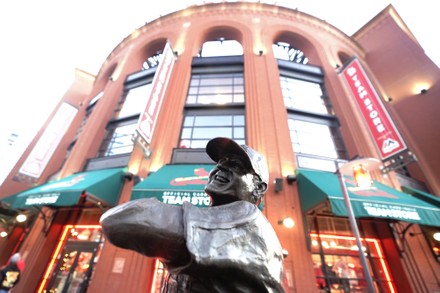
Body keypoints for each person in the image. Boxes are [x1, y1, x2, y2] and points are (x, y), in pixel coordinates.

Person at [101, 137, 285, 292]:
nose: (221, 168)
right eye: (221, 163)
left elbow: (122, 220)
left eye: (236, 165)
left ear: (258, 188)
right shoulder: (224, 218)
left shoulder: (245, 218)